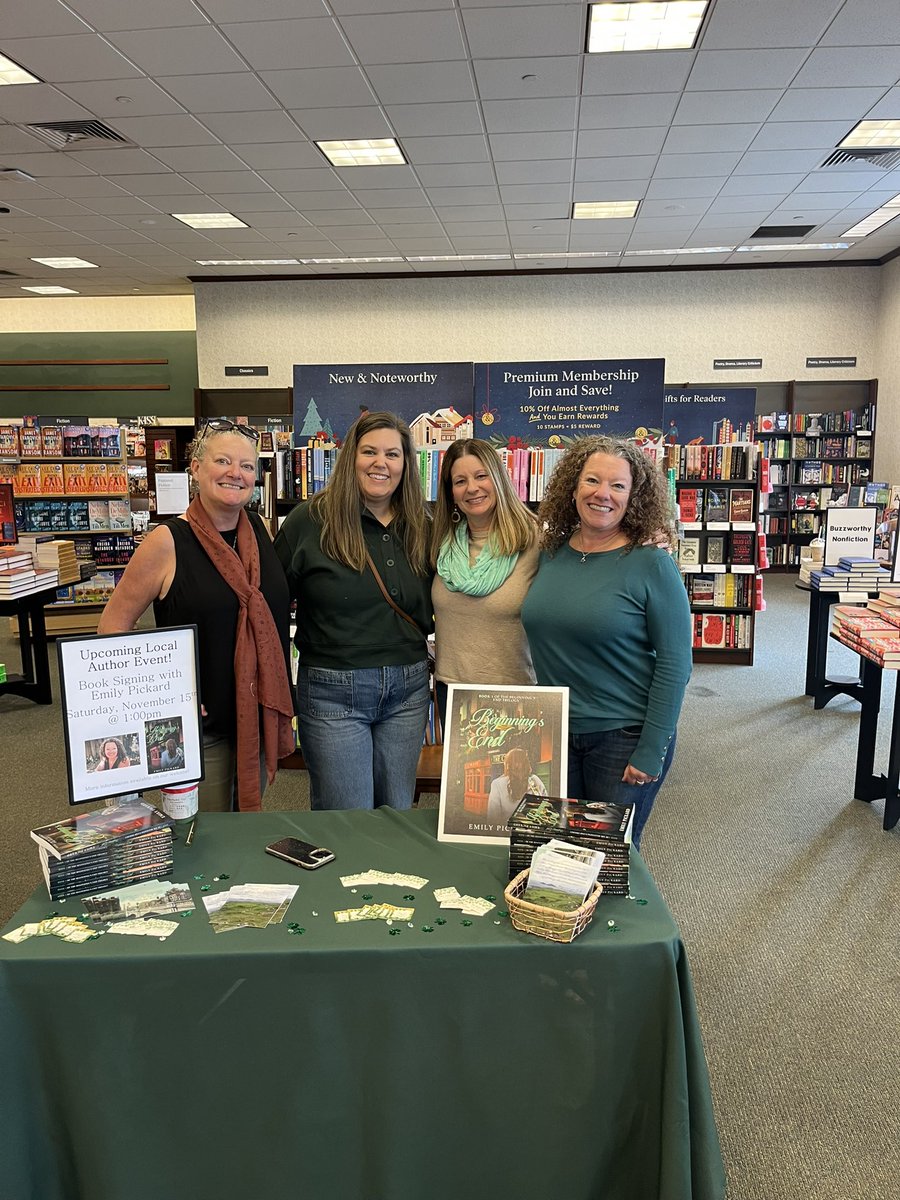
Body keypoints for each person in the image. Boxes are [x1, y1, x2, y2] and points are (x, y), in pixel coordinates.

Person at [97, 419, 295, 812]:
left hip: (254, 715)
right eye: (223, 461)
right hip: (197, 728)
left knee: (244, 828)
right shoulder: (167, 542)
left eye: (247, 466)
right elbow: (112, 627)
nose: (235, 473)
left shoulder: (258, 530)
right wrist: (159, 696)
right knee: (205, 834)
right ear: (196, 468)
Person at [522, 436, 692, 849]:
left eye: (618, 485)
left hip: (623, 736)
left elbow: (675, 664)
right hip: (555, 733)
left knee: (608, 857)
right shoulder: (551, 554)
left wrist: (652, 748)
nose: (603, 494)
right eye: (592, 480)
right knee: (561, 851)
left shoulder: (652, 564)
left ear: (634, 497)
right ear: (573, 487)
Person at [274, 411, 432, 811]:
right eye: (369, 452)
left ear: (406, 464)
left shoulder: (423, 524)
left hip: (409, 691)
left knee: (397, 812)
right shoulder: (310, 520)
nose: (381, 463)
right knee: (346, 819)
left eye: (392, 454)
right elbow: (270, 609)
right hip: (333, 691)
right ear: (350, 458)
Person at [431, 438, 540, 724]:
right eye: (460, 481)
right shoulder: (440, 543)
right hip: (452, 692)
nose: (472, 488)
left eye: (481, 476)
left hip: (515, 696)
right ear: (451, 493)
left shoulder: (536, 540)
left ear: (500, 479)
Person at [486, 747, 547, 826]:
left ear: (507, 765)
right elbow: (545, 806)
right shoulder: (535, 780)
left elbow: (493, 819)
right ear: (527, 764)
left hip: (508, 831)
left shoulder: (497, 784)